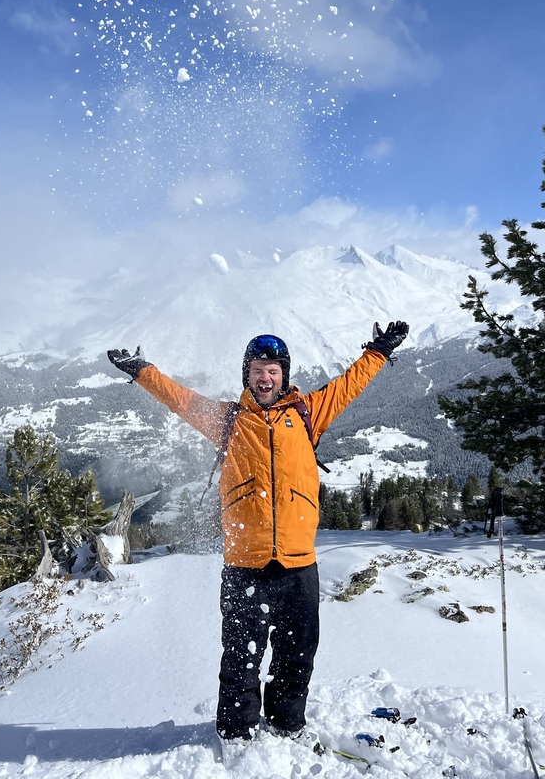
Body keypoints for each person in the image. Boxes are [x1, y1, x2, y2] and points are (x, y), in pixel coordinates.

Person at [107, 320, 409, 747]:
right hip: (245, 565)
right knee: (240, 659)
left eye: (272, 370)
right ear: (246, 375)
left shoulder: (307, 412)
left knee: (297, 655)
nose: (265, 378)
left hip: (299, 564)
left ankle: (286, 724)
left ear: (284, 375)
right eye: (257, 370)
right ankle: (236, 734)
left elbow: (348, 385)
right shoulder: (228, 420)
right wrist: (142, 371)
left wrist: (378, 351)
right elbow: (181, 400)